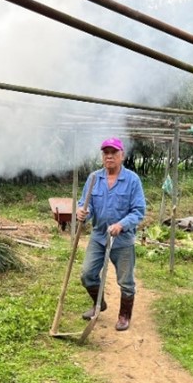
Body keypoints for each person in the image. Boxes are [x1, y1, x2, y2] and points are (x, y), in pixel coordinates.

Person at [76, 137, 146, 331]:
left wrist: (121, 225)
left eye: (113, 153)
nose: (109, 156)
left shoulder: (132, 180)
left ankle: (124, 316)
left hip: (122, 240)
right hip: (99, 237)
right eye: (106, 153)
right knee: (87, 274)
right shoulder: (93, 179)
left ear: (122, 155)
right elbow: (85, 203)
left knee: (125, 281)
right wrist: (82, 211)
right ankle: (99, 304)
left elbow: (139, 211)